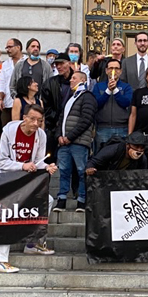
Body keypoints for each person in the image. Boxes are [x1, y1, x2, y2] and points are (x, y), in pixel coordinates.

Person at [0, 104, 58, 273]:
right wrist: (23, 166)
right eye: (33, 119)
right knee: (8, 210)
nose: (36, 124)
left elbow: (39, 161)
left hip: (23, 177)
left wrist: (47, 167)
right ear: (24, 118)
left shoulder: (41, 135)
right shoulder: (9, 131)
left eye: (39, 121)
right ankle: (0, 260)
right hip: (1, 176)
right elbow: (2, 162)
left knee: (47, 201)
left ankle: (32, 242)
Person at [53, 70, 96, 213]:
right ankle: (62, 199)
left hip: (78, 142)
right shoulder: (70, 98)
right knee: (64, 171)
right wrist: (59, 135)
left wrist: (69, 136)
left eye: (74, 78)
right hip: (64, 143)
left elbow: (86, 119)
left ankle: (82, 200)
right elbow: (61, 119)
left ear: (82, 80)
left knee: (81, 171)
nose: (70, 80)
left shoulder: (87, 97)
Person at [6, 39, 52, 120]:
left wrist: (43, 100)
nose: (36, 48)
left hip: (39, 103)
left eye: (38, 47)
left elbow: (51, 85)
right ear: (27, 49)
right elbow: (12, 85)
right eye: (33, 46)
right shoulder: (20, 65)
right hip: (23, 104)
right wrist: (18, 99)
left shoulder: (45, 66)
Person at [92, 58, 132, 149]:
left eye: (116, 68)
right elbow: (96, 104)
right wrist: (108, 91)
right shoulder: (98, 86)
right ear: (106, 71)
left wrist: (116, 91)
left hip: (121, 128)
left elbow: (126, 103)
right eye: (111, 68)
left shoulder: (126, 87)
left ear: (121, 71)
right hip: (103, 128)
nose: (113, 71)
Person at [0, 38, 23, 128]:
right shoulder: (5, 64)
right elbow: (2, 82)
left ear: (18, 47)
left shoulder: (26, 62)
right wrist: (0, 99)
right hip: (7, 103)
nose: (8, 50)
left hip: (22, 103)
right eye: (7, 47)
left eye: (10, 47)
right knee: (6, 128)